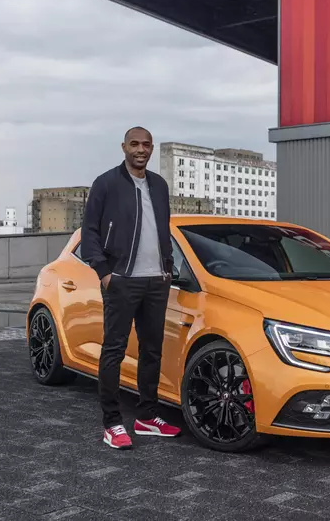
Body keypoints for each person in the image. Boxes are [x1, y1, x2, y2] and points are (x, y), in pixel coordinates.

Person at [81, 126, 181, 449]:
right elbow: (89, 233)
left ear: (152, 148)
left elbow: (161, 230)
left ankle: (147, 416)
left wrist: (168, 268)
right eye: (135, 144)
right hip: (121, 281)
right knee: (114, 351)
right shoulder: (106, 184)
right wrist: (105, 273)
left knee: (152, 351)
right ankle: (112, 423)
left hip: (156, 281)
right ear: (123, 146)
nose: (141, 149)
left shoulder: (160, 186)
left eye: (146, 144)